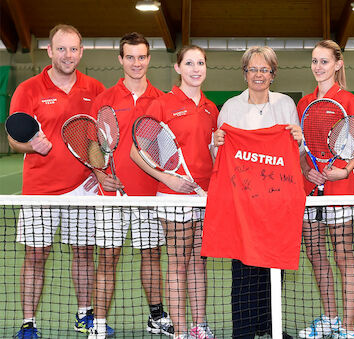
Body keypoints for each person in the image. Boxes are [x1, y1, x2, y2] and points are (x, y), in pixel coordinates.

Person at [7, 24, 106, 339]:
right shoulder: (29, 89)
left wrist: (96, 169)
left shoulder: (95, 88)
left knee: (83, 252)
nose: (68, 55)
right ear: (49, 51)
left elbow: (96, 139)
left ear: (81, 52)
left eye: (73, 49)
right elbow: (14, 139)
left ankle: (84, 315)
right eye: (61, 48)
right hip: (39, 189)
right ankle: (28, 323)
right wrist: (30, 145)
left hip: (83, 189)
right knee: (36, 256)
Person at [86, 32, 172, 338]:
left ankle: (156, 316)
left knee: (151, 255)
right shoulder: (104, 100)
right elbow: (94, 143)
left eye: (142, 56)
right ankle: (98, 324)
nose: (136, 62)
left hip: (150, 194)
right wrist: (99, 172)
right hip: (111, 195)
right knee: (108, 258)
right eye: (130, 57)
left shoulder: (162, 100)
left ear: (149, 59)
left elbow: (164, 147)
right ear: (121, 59)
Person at [213, 45, 302, 339]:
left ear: (273, 74)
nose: (258, 75)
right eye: (253, 69)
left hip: (277, 203)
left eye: (264, 69)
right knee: (244, 268)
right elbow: (220, 155)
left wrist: (298, 139)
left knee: (273, 269)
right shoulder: (230, 108)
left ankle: (270, 325)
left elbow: (293, 152)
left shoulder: (286, 105)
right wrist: (217, 141)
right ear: (244, 73)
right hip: (242, 203)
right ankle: (244, 331)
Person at [130, 45, 218, 339]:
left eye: (201, 63)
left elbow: (210, 154)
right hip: (173, 196)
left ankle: (199, 325)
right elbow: (136, 152)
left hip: (203, 197)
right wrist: (166, 179)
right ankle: (180, 330)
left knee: (198, 261)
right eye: (189, 63)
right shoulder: (162, 105)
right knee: (178, 262)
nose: (196, 69)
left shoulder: (210, 108)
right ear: (178, 68)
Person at [297, 40, 354, 339]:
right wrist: (305, 168)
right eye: (314, 61)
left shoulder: (347, 100)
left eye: (324, 61)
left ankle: (347, 328)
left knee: (343, 255)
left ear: (337, 64)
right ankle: (331, 318)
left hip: (340, 188)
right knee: (316, 255)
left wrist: (344, 170)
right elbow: (301, 148)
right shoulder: (303, 102)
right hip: (311, 189)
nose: (318, 67)